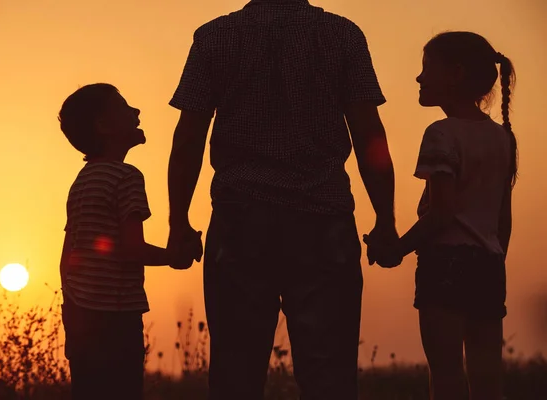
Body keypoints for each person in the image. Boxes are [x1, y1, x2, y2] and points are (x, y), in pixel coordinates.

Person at [166, 1, 399, 398]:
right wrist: (385, 220)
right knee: (330, 377)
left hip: (240, 225)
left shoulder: (214, 37)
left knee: (235, 375)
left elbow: (189, 138)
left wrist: (179, 223)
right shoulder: (342, 35)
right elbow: (368, 135)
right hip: (323, 223)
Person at [365, 31, 517, 400]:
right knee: (487, 381)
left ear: (456, 73)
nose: (419, 78)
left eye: (427, 68)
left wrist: (397, 249)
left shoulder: (441, 134)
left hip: (446, 266)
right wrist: (494, 262)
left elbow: (442, 214)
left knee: (446, 377)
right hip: (490, 264)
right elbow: (503, 220)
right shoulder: (502, 138)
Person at [57, 83, 197, 400]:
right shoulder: (127, 177)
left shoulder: (81, 181)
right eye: (124, 108)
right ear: (103, 126)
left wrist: (72, 318)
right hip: (116, 321)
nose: (136, 112)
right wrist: (174, 256)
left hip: (81, 318)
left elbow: (67, 259)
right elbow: (131, 249)